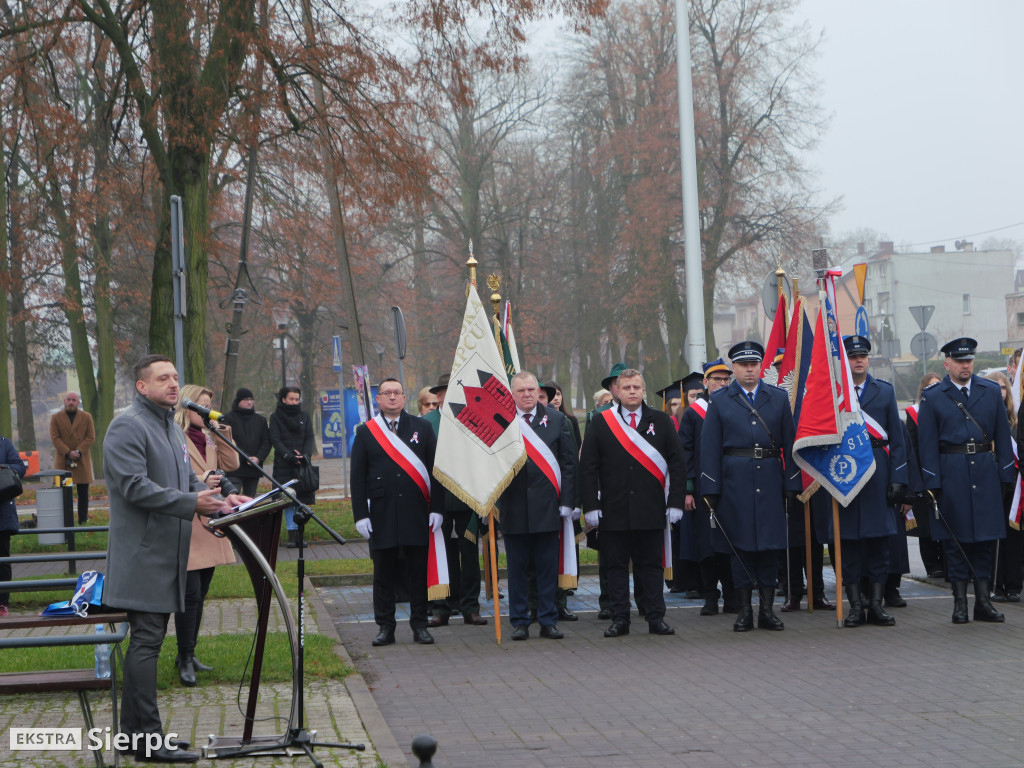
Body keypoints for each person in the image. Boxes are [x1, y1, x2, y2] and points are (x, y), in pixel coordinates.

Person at [103, 355, 247, 763]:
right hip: (143, 555)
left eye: (174, 377)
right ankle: (147, 740)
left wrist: (220, 502)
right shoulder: (128, 425)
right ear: (141, 387)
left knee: (149, 642)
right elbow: (133, 487)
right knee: (146, 643)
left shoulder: (169, 425)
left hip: (170, 552)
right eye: (162, 378)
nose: (172, 383)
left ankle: (135, 739)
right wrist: (190, 501)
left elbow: (186, 481)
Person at [700, 341, 800, 632]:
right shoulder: (719, 400)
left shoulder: (778, 398)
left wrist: (791, 483)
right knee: (739, 548)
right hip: (735, 482)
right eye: (743, 365)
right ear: (734, 368)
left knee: (769, 548)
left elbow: (790, 443)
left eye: (754, 364)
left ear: (761, 367)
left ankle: (767, 611)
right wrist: (711, 489)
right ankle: (744, 611)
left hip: (770, 479)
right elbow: (710, 448)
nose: (749, 369)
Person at [580, 368, 686, 637]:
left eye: (636, 387)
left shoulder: (660, 421)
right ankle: (620, 618)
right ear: (616, 390)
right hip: (613, 510)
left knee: (650, 565)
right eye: (626, 387)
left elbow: (677, 463)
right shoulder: (602, 422)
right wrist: (590, 506)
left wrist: (675, 502)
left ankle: (655, 617)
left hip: (651, 509)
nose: (631, 392)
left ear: (643, 389)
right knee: (615, 567)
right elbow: (588, 467)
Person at [917, 337, 1016, 624]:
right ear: (947, 363)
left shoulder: (988, 391)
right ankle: (960, 604)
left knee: (985, 541)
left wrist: (1005, 472)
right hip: (952, 474)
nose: (966, 366)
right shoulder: (934, 396)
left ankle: (983, 603)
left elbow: (1002, 435)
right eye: (960, 361)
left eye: (969, 360)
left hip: (985, 472)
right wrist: (932, 482)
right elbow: (927, 444)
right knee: (955, 541)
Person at [352, 378, 441, 646]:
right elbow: (357, 477)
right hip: (381, 513)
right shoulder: (366, 432)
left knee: (417, 573)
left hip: (416, 512)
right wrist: (360, 515)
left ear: (404, 398)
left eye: (397, 393)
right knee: (383, 575)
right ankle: (385, 627)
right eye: (386, 393)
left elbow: (436, 472)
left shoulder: (422, 428)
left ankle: (420, 625)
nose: (392, 397)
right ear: (378, 399)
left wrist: (437, 508)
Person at [832, 336, 908, 627]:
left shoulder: (884, 392)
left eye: (862, 356)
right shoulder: (835, 394)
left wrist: (898, 478)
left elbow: (897, 440)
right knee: (849, 545)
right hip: (845, 474)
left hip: (878, 474)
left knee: (879, 545)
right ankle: (854, 607)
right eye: (852, 357)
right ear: (845, 361)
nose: (858, 361)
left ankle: (875, 605)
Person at [499, 372, 578, 640]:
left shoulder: (557, 420)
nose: (527, 394)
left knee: (546, 569)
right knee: (518, 570)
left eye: (531, 389)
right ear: (512, 394)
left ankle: (547, 620)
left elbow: (569, 465)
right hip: (514, 507)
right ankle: (520, 621)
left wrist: (568, 502)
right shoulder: (502, 422)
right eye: (521, 390)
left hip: (548, 508)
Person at [172, 384, 240, 687]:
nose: (207, 411)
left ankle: (189, 652)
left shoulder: (210, 439)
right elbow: (172, 476)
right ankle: (184, 657)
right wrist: (201, 479)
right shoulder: (175, 436)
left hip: (210, 523)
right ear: (188, 409)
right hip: (187, 523)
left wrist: (221, 431)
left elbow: (233, 464)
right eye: (202, 406)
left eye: (209, 406)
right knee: (190, 594)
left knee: (201, 595)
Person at [424, 373, 486, 628]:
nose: (450, 396)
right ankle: (441, 607)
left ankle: (470, 607)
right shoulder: (427, 423)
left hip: (466, 498)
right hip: (437, 500)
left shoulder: (473, 420)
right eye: (445, 391)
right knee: (441, 555)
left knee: (469, 556)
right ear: (438, 396)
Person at [678, 361, 737, 615]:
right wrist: (688, 488)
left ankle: (733, 596)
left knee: (732, 543)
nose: (722, 384)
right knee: (707, 544)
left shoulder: (735, 407)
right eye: (717, 380)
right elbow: (685, 453)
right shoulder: (694, 413)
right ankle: (710, 596)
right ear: (706, 382)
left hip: (733, 486)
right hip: (703, 488)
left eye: (726, 380)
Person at [986, 371, 1022, 602]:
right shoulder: (985, 420)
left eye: (1003, 387)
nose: (1000, 392)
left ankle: (1013, 584)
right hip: (992, 484)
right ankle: (996, 585)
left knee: (1015, 537)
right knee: (994, 537)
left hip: (1015, 487)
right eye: (995, 387)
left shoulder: (1017, 422)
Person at [906, 372, 944, 578]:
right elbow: (912, 448)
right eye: (930, 386)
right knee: (926, 524)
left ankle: (947, 561)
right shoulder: (914, 414)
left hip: (945, 473)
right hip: (923, 475)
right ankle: (932, 564)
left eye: (938, 386)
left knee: (946, 520)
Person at [269, 386, 316, 548]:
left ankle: (300, 534)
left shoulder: (305, 416)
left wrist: (305, 455)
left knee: (301, 500)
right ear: (283, 399)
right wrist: (288, 456)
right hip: (284, 464)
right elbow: (275, 439)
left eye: (297, 399)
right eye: (291, 399)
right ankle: (291, 533)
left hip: (302, 465)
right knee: (288, 499)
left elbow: (310, 437)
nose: (294, 402)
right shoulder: (275, 417)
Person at [49, 391, 96, 524]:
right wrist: (68, 452)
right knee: (63, 492)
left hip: (81, 460)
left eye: (74, 400)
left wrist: (79, 451)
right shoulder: (56, 418)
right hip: (63, 460)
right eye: (69, 399)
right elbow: (55, 438)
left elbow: (91, 437)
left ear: (78, 402)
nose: (71, 402)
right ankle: (64, 521)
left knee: (83, 492)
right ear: (64, 401)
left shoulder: (87, 417)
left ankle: (82, 520)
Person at [220, 387, 272, 497]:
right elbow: (228, 441)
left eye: (251, 399)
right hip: (234, 468)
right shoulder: (227, 419)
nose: (249, 402)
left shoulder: (261, 420)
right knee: (232, 499)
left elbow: (267, 442)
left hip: (254, 468)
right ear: (238, 401)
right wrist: (246, 457)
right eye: (245, 399)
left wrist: (258, 457)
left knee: (250, 501)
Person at [0, 436, 26, 618]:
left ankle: (2, 603)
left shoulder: (3, 443)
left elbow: (20, 467)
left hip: (2, 513)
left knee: (2, 560)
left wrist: (3, 468)